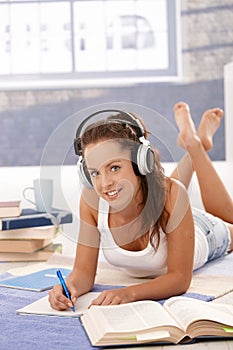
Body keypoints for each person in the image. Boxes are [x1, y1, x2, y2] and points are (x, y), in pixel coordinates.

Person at [48, 102, 233, 310]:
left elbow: (180, 278)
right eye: (95, 172)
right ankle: (194, 145)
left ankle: (195, 146)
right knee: (164, 190)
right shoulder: (91, 203)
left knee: (225, 218)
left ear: (140, 163)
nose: (104, 182)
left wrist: (129, 293)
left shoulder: (173, 195)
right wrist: (69, 287)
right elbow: (82, 272)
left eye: (114, 167)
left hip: (204, 232)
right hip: (167, 207)